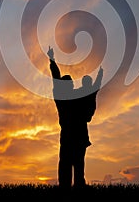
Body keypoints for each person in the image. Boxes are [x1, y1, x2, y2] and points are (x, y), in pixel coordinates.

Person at [47, 46, 103, 189]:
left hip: (71, 137)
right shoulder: (67, 98)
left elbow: (92, 90)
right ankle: (73, 188)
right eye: (71, 83)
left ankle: (69, 188)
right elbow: (56, 77)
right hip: (75, 137)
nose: (73, 85)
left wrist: (52, 60)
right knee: (75, 166)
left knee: (72, 167)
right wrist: (52, 61)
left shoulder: (67, 98)